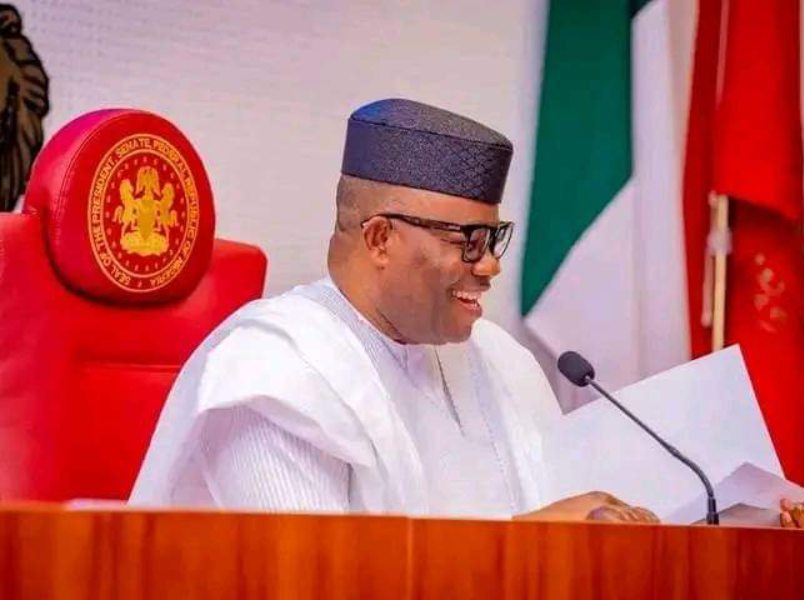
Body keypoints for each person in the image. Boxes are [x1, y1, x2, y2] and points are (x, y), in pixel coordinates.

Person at [130, 98, 800, 527]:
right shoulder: (272, 374)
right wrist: (525, 551)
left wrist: (746, 518)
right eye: (467, 242)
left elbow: (577, 515)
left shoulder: (500, 361)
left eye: (494, 239)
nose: (491, 266)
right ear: (380, 239)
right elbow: (316, 582)